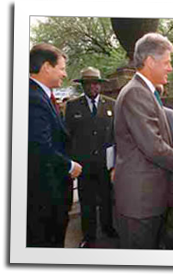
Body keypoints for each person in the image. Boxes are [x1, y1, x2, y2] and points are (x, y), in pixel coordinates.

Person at [114, 33, 173, 249]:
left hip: (147, 199)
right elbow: (153, 146)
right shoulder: (136, 93)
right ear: (150, 62)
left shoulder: (143, 92)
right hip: (140, 203)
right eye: (167, 62)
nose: (170, 68)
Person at [28, 43, 82, 247]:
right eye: (61, 68)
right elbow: (39, 147)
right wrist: (69, 166)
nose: (65, 74)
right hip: (44, 197)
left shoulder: (42, 96)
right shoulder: (33, 99)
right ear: (46, 67)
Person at [65, 67, 118, 248]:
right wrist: (71, 162)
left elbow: (116, 135)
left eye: (95, 83)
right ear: (83, 86)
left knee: (106, 198)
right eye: (88, 84)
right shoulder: (72, 106)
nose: (92, 87)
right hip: (84, 164)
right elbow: (68, 136)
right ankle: (88, 235)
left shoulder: (112, 104)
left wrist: (116, 163)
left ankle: (108, 227)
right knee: (86, 201)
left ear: (100, 85)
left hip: (106, 163)